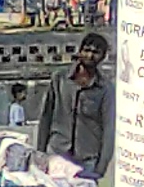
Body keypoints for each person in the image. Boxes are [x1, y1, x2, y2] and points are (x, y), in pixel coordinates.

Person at [38, 32, 113, 172]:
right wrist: (40, 153)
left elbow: (109, 129)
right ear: (80, 51)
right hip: (57, 154)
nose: (90, 56)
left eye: (96, 52)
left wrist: (101, 167)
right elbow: (46, 117)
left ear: (103, 57)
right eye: (87, 50)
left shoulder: (105, 88)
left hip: (86, 160)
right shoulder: (60, 79)